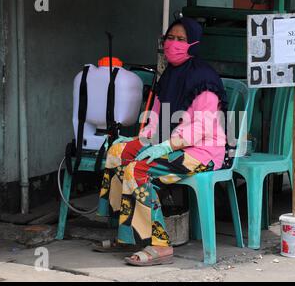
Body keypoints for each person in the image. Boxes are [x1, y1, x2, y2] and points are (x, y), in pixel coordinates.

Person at [96, 17, 227, 266]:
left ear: (194, 43)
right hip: (165, 141)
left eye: (181, 39)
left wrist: (167, 145)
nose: (173, 44)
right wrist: (144, 137)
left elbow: (201, 126)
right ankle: (127, 234)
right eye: (170, 38)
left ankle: (160, 245)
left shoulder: (204, 78)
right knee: (117, 151)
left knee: (137, 169)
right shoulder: (169, 74)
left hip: (201, 150)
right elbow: (155, 114)